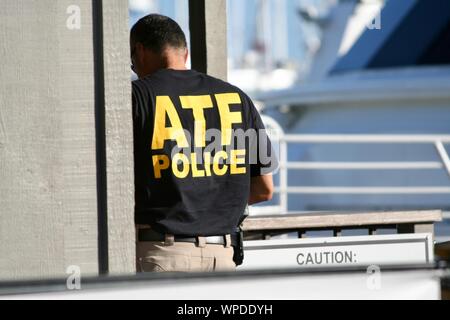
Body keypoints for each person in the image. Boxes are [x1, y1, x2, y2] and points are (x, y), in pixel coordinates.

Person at [131, 14, 278, 273]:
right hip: (222, 258)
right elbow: (264, 189)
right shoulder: (238, 98)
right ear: (184, 53)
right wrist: (211, 205)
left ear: (140, 52)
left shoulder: (137, 96)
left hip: (161, 256)